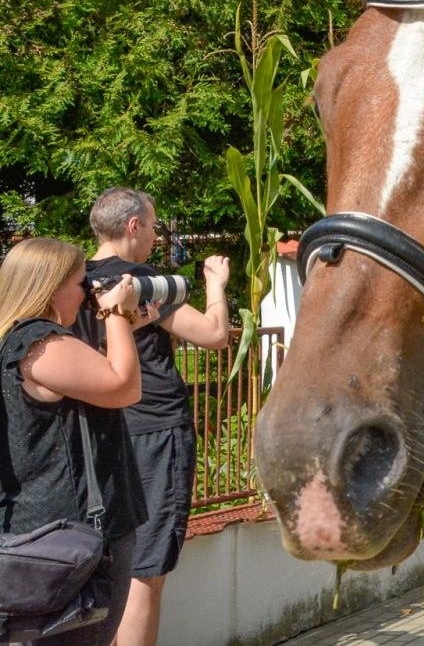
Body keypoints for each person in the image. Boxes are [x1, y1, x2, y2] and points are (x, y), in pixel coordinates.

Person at [84, 188, 231, 646]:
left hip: (101, 433)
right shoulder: (142, 283)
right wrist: (215, 284)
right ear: (132, 227)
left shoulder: (76, 282)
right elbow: (214, 335)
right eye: (152, 225)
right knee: (145, 572)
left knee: (111, 562)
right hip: (155, 432)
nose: (154, 235)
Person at [2, 237, 146, 645]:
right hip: (73, 538)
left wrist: (125, 325)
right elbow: (123, 387)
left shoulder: (14, 339)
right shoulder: (39, 343)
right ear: (50, 286)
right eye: (82, 283)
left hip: (39, 530)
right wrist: (114, 311)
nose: (88, 293)